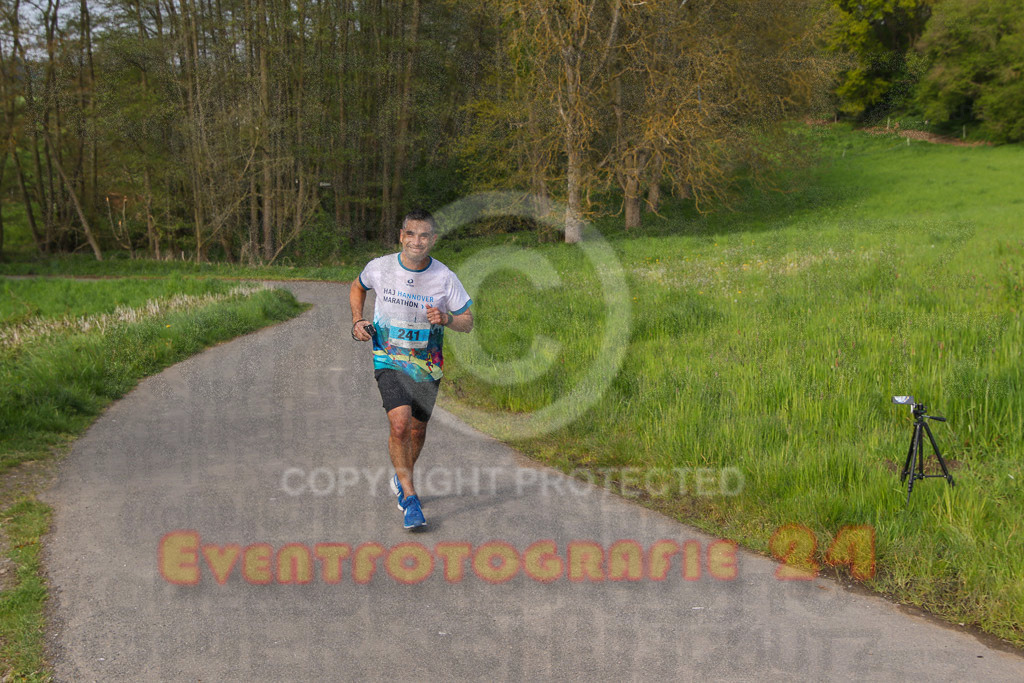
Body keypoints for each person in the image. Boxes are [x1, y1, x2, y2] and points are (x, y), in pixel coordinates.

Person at [349, 209, 473, 529]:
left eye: (424, 235)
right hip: (388, 358)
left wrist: (446, 318)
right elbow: (358, 287)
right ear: (401, 236)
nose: (417, 241)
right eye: (411, 234)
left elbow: (467, 321)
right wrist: (357, 320)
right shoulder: (380, 267)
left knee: (417, 430)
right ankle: (410, 498)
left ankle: (401, 476)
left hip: (427, 366)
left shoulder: (445, 277)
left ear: (433, 240)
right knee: (400, 425)